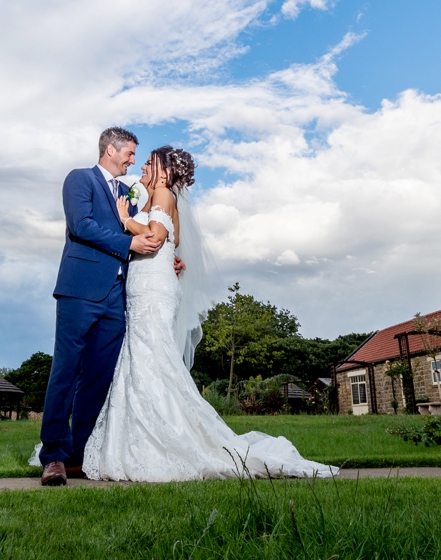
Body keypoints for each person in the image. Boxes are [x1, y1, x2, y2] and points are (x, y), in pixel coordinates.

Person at [79, 145, 337, 482]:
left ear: (165, 171)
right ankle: (141, 440)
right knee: (145, 361)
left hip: (153, 292)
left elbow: (156, 237)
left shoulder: (161, 193)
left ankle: (161, 442)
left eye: (149, 162)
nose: (142, 165)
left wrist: (126, 219)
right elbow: (173, 241)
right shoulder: (158, 197)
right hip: (148, 286)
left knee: (150, 360)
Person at [36, 127, 164, 485]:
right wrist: (130, 245)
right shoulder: (80, 180)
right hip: (80, 289)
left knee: (98, 377)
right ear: (111, 150)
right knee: (66, 370)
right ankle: (54, 458)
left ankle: (80, 455)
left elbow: (144, 229)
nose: (133, 160)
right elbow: (82, 227)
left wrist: (166, 257)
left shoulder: (127, 193)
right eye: (130, 154)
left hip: (116, 295)